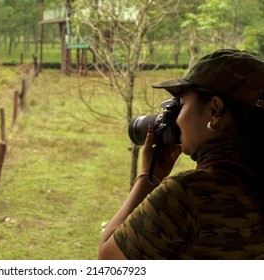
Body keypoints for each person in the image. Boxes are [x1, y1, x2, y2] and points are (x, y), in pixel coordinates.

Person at [98, 49, 264, 259]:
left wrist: (147, 179)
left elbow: (108, 261)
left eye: (182, 105)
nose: (177, 120)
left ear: (215, 110)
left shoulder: (188, 193)